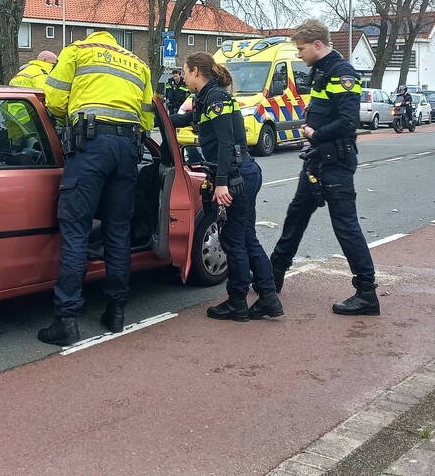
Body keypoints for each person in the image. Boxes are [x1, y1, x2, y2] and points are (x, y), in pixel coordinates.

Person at [37, 31, 154, 346]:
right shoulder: (137, 63)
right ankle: (116, 311)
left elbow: (56, 100)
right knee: (118, 230)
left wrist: (68, 118)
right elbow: (146, 118)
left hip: (90, 145)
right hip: (128, 149)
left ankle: (66, 320)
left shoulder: (78, 50)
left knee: (76, 229)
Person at [269, 20, 380, 316]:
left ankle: (367, 293)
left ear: (318, 45)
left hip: (335, 163)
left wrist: (314, 134)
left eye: (301, 49)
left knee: (345, 226)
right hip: (318, 160)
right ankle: (274, 274)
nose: (299, 54)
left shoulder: (343, 74)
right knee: (296, 215)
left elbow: (347, 121)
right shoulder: (320, 71)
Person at [170, 53, 282, 321]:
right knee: (246, 238)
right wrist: (156, 116)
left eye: (185, 73)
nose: (183, 78)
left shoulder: (216, 97)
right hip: (242, 172)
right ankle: (267, 298)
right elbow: (185, 121)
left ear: (196, 71)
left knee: (233, 240)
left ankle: (237, 303)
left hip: (235, 175)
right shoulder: (207, 97)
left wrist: (221, 183)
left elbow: (224, 141)